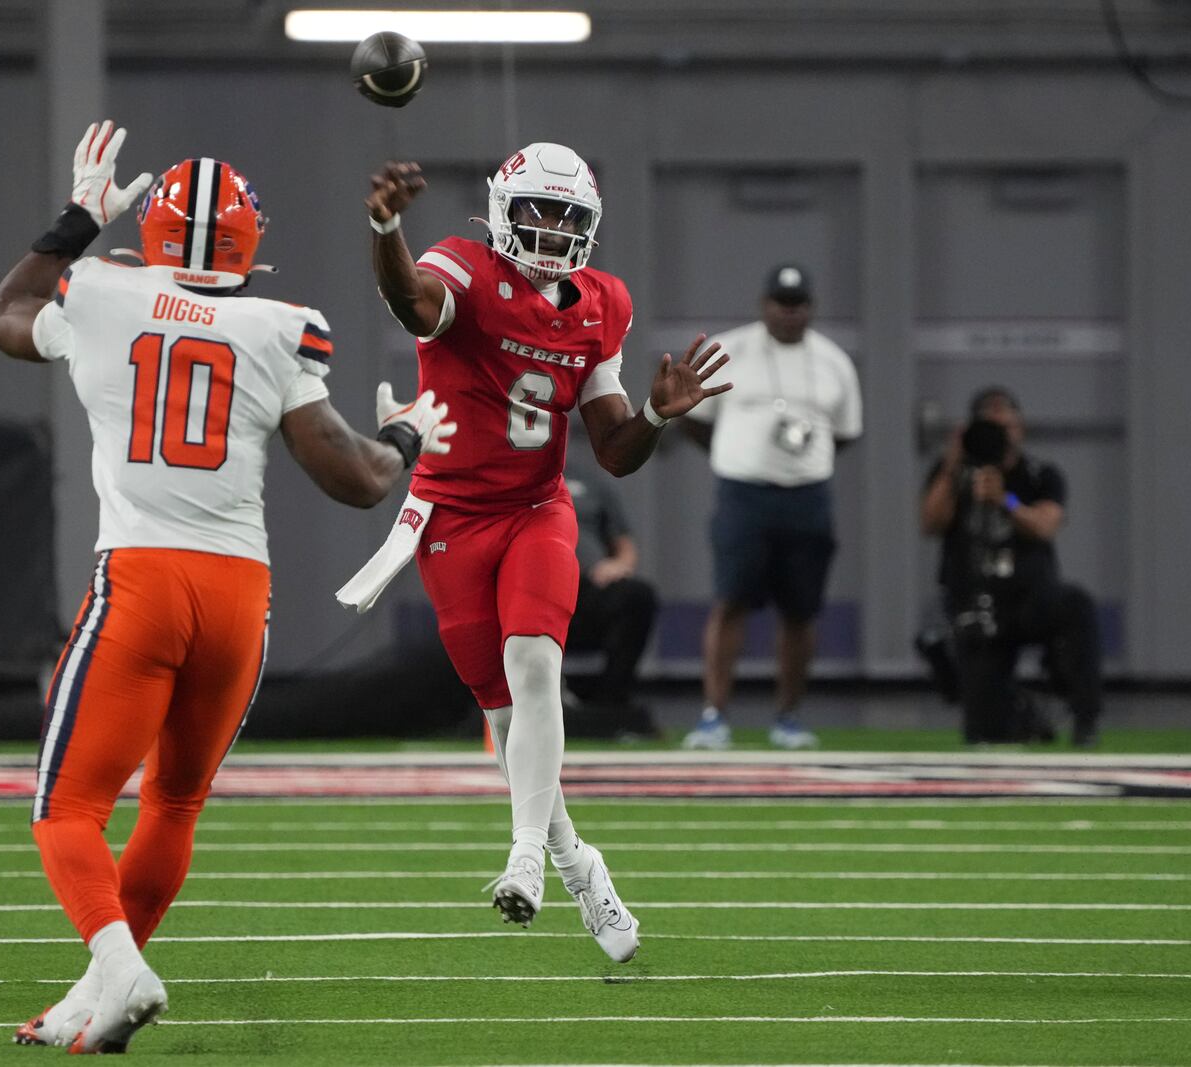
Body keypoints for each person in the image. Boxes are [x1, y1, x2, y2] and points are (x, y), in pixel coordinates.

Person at [0, 122, 456, 1053]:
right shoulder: (278, 326)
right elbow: (355, 479)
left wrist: (78, 217)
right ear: (253, 241)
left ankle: (119, 967)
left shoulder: (102, 292)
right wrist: (405, 437)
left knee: (66, 807)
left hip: (142, 579)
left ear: (148, 231)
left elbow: (3, 313)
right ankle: (96, 992)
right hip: (238, 595)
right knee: (173, 803)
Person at [343, 146, 730, 963]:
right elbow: (414, 304)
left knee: (534, 667)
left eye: (569, 218)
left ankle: (525, 856)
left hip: (534, 510)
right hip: (450, 518)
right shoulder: (465, 267)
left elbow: (614, 450)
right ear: (503, 210)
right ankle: (576, 859)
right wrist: (386, 226)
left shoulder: (601, 303)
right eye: (539, 212)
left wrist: (657, 417)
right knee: (508, 716)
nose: (553, 231)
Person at [679, 264, 862, 751]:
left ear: (810, 308)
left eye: (798, 304)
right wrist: (737, 455)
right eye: (781, 304)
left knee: (801, 610)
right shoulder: (730, 349)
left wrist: (798, 466)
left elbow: (845, 432)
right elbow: (694, 420)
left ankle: (789, 717)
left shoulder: (833, 362)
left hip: (807, 496)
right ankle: (714, 715)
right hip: (743, 494)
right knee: (731, 600)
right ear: (765, 305)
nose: (789, 313)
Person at [920, 386, 1102, 747]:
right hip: (976, 606)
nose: (1001, 435)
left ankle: (1085, 719)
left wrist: (1007, 500)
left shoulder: (1038, 475)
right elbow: (930, 523)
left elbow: (1046, 524)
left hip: (1031, 597)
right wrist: (954, 463)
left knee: (1077, 605)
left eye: (1008, 426)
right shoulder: (951, 474)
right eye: (990, 427)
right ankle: (1021, 712)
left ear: (1021, 430)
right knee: (985, 733)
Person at [563, 457, 659, 733]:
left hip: (586, 588)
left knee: (637, 596)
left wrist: (619, 565)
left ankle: (611, 703)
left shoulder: (588, 482)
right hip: (529, 588)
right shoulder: (507, 474)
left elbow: (624, 546)